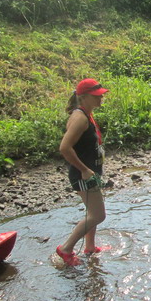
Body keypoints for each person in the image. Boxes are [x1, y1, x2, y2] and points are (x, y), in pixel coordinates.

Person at [56, 78, 109, 266]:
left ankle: (90, 247)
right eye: (96, 96)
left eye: (101, 94)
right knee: (98, 215)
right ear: (84, 97)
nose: (101, 98)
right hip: (83, 174)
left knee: (92, 212)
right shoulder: (79, 118)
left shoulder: (87, 114)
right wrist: (85, 170)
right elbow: (64, 148)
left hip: (90, 172)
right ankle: (66, 249)